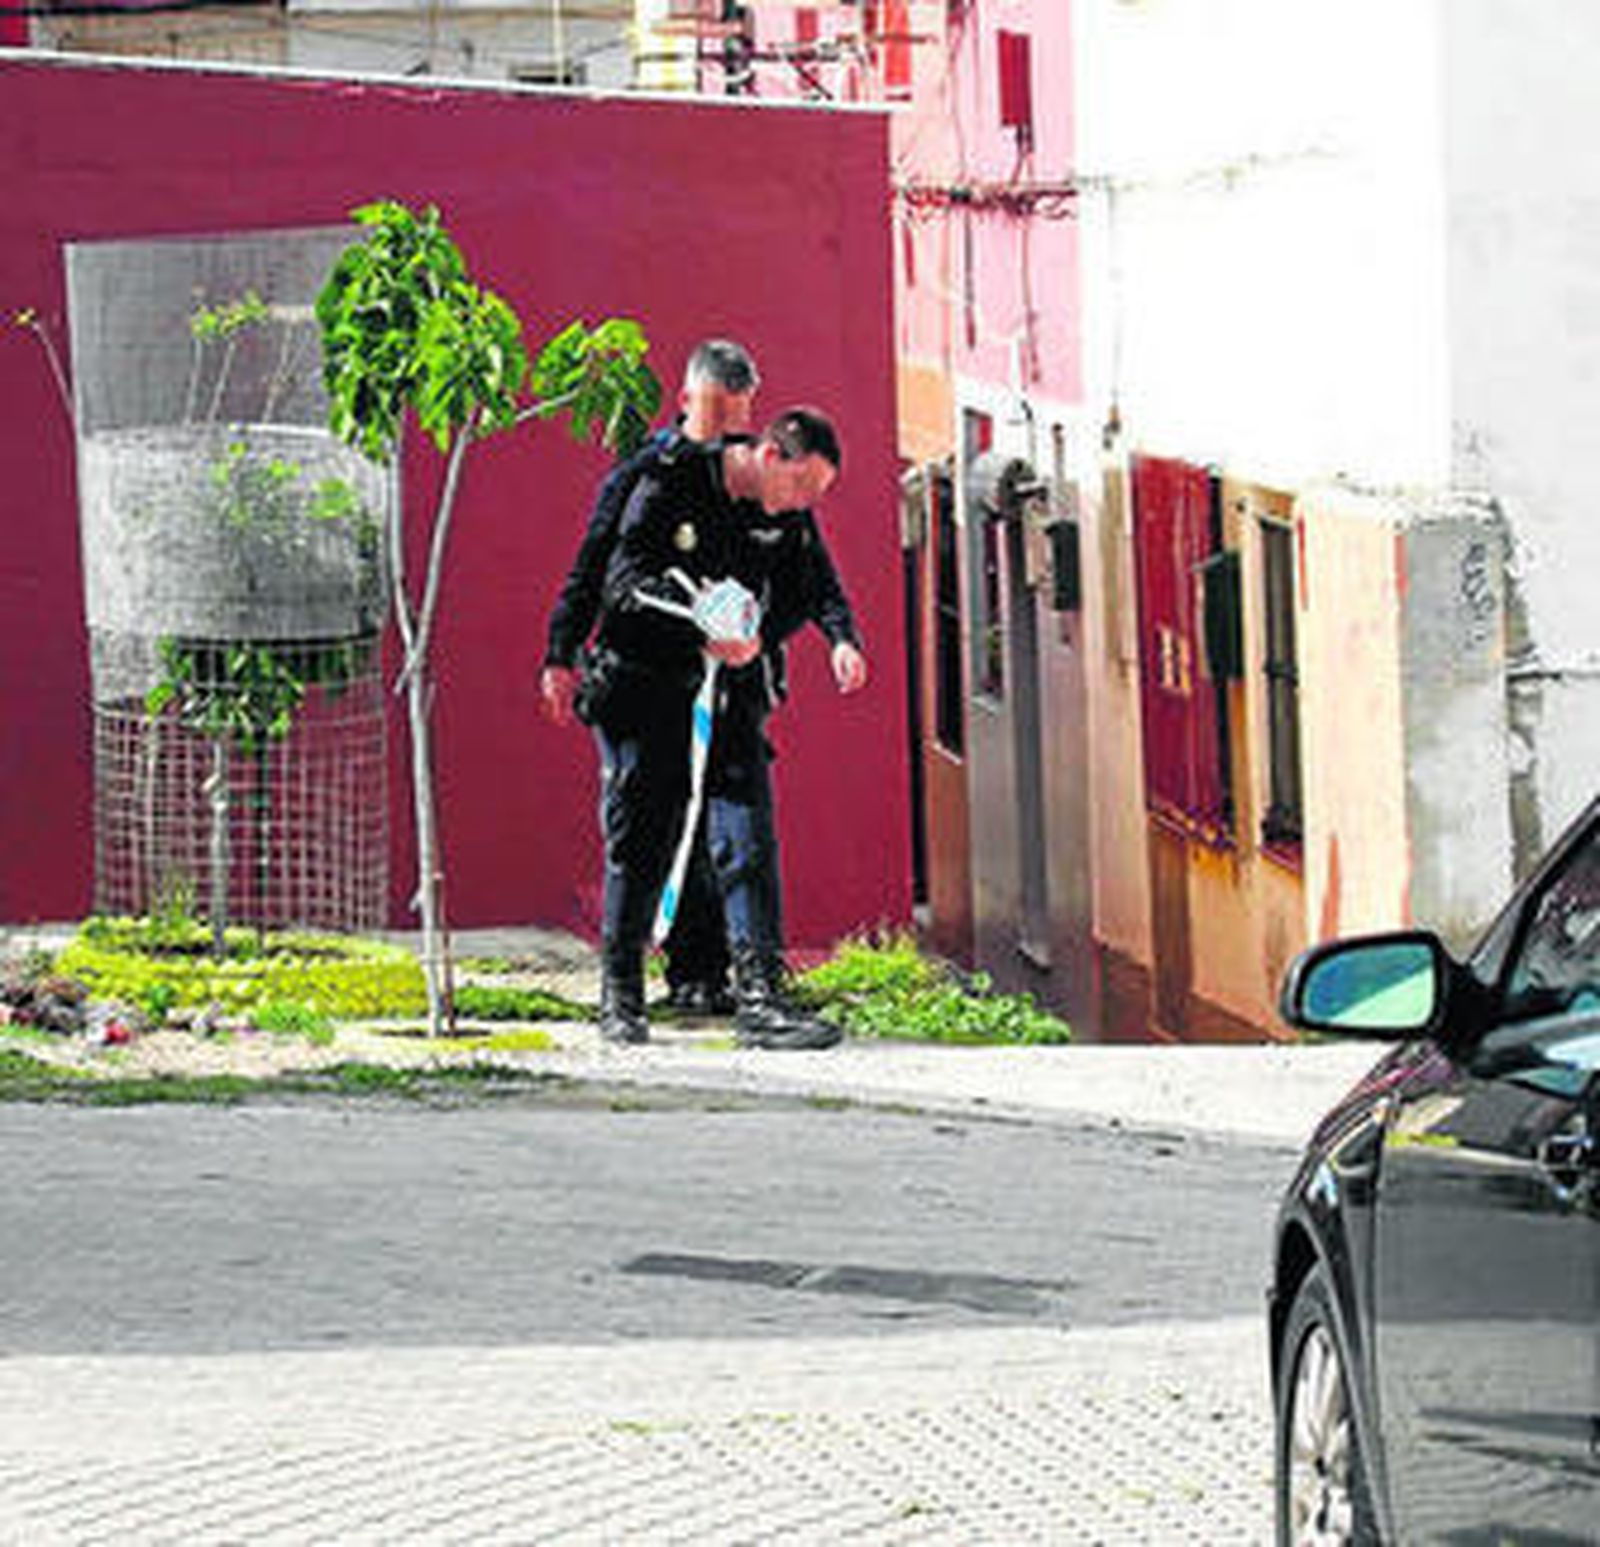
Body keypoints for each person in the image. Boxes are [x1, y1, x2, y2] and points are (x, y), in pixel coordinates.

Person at [586, 407, 865, 1050]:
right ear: (770, 456)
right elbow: (620, 581)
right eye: (802, 487)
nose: (804, 503)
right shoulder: (667, 482)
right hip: (652, 690)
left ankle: (759, 995)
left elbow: (816, 579)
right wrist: (698, 624)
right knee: (643, 837)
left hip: (735, 687)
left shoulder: (786, 514)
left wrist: (840, 639)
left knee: (745, 838)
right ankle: (621, 996)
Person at [540, 340, 759, 1015]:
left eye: (740, 414)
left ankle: (701, 974)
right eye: (717, 411)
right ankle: (621, 991)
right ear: (688, 399)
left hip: (717, 684)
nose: (728, 427)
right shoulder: (647, 478)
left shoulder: (749, 483)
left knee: (708, 830)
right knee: (642, 830)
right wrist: (559, 653)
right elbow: (602, 568)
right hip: (638, 679)